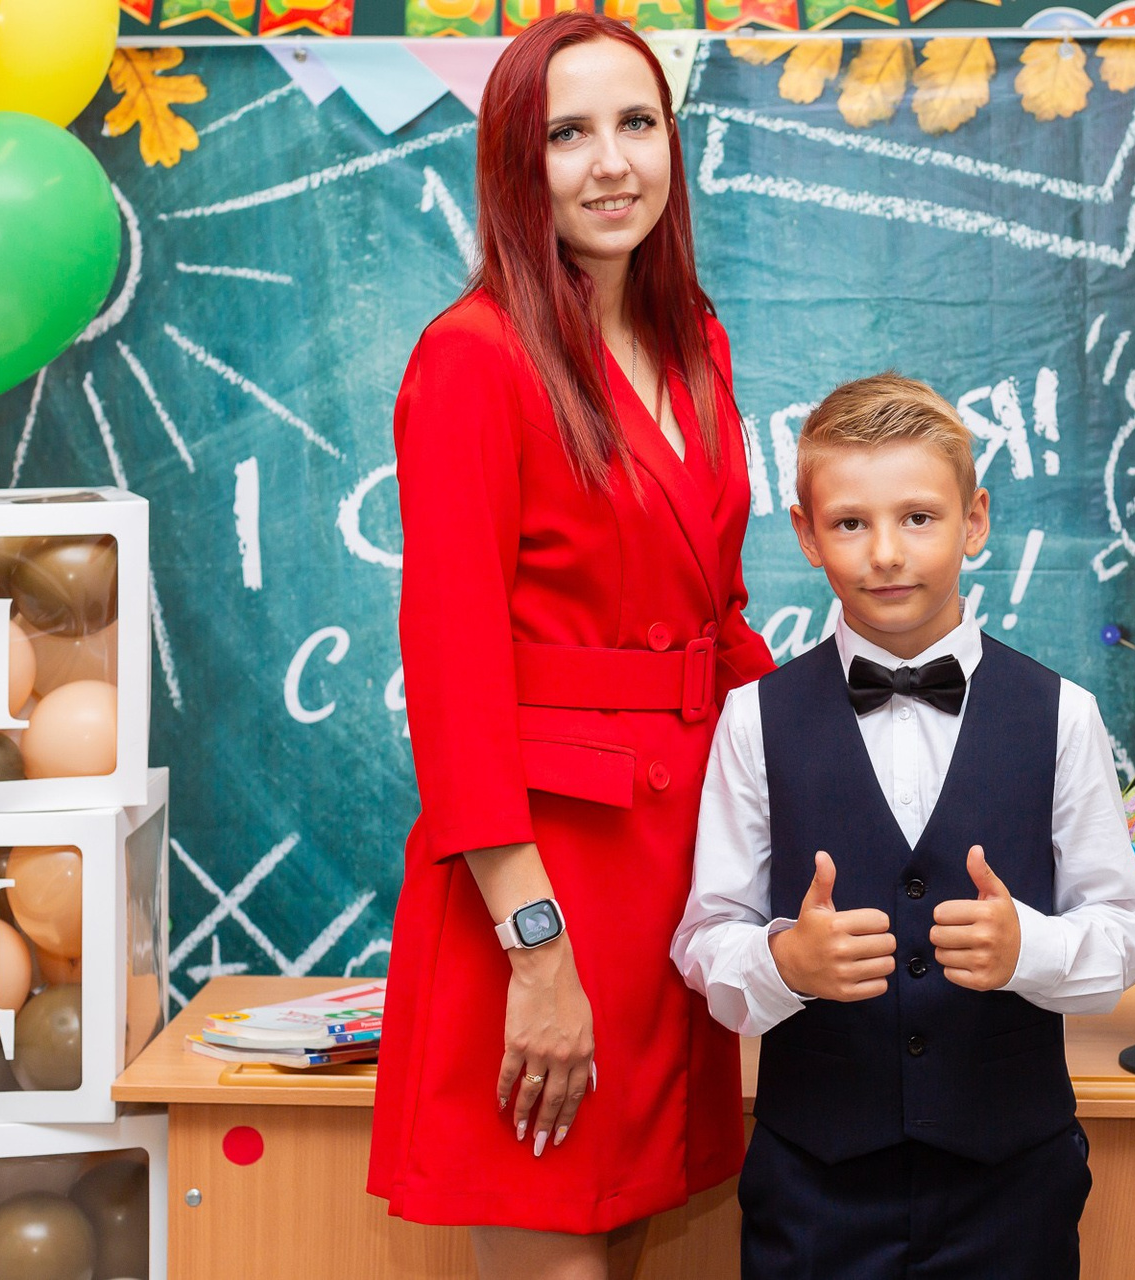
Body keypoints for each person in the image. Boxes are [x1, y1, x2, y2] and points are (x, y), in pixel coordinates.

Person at [369, 13, 774, 1280]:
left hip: (680, 864)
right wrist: (536, 951)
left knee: (628, 1233)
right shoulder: (473, 357)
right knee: (558, 1255)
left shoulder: (694, 336)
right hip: (542, 872)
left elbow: (720, 616)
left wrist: (858, 748)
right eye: (568, 133)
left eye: (637, 123)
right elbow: (453, 677)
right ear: (514, 162)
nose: (612, 162)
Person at [673, 373, 1135, 1279]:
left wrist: (1029, 949)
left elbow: (1128, 929)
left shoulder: (1062, 714)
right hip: (811, 1192)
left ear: (975, 520)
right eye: (850, 523)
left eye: (920, 518)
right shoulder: (752, 719)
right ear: (806, 535)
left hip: (1012, 1188)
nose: (887, 553)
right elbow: (706, 937)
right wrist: (785, 964)